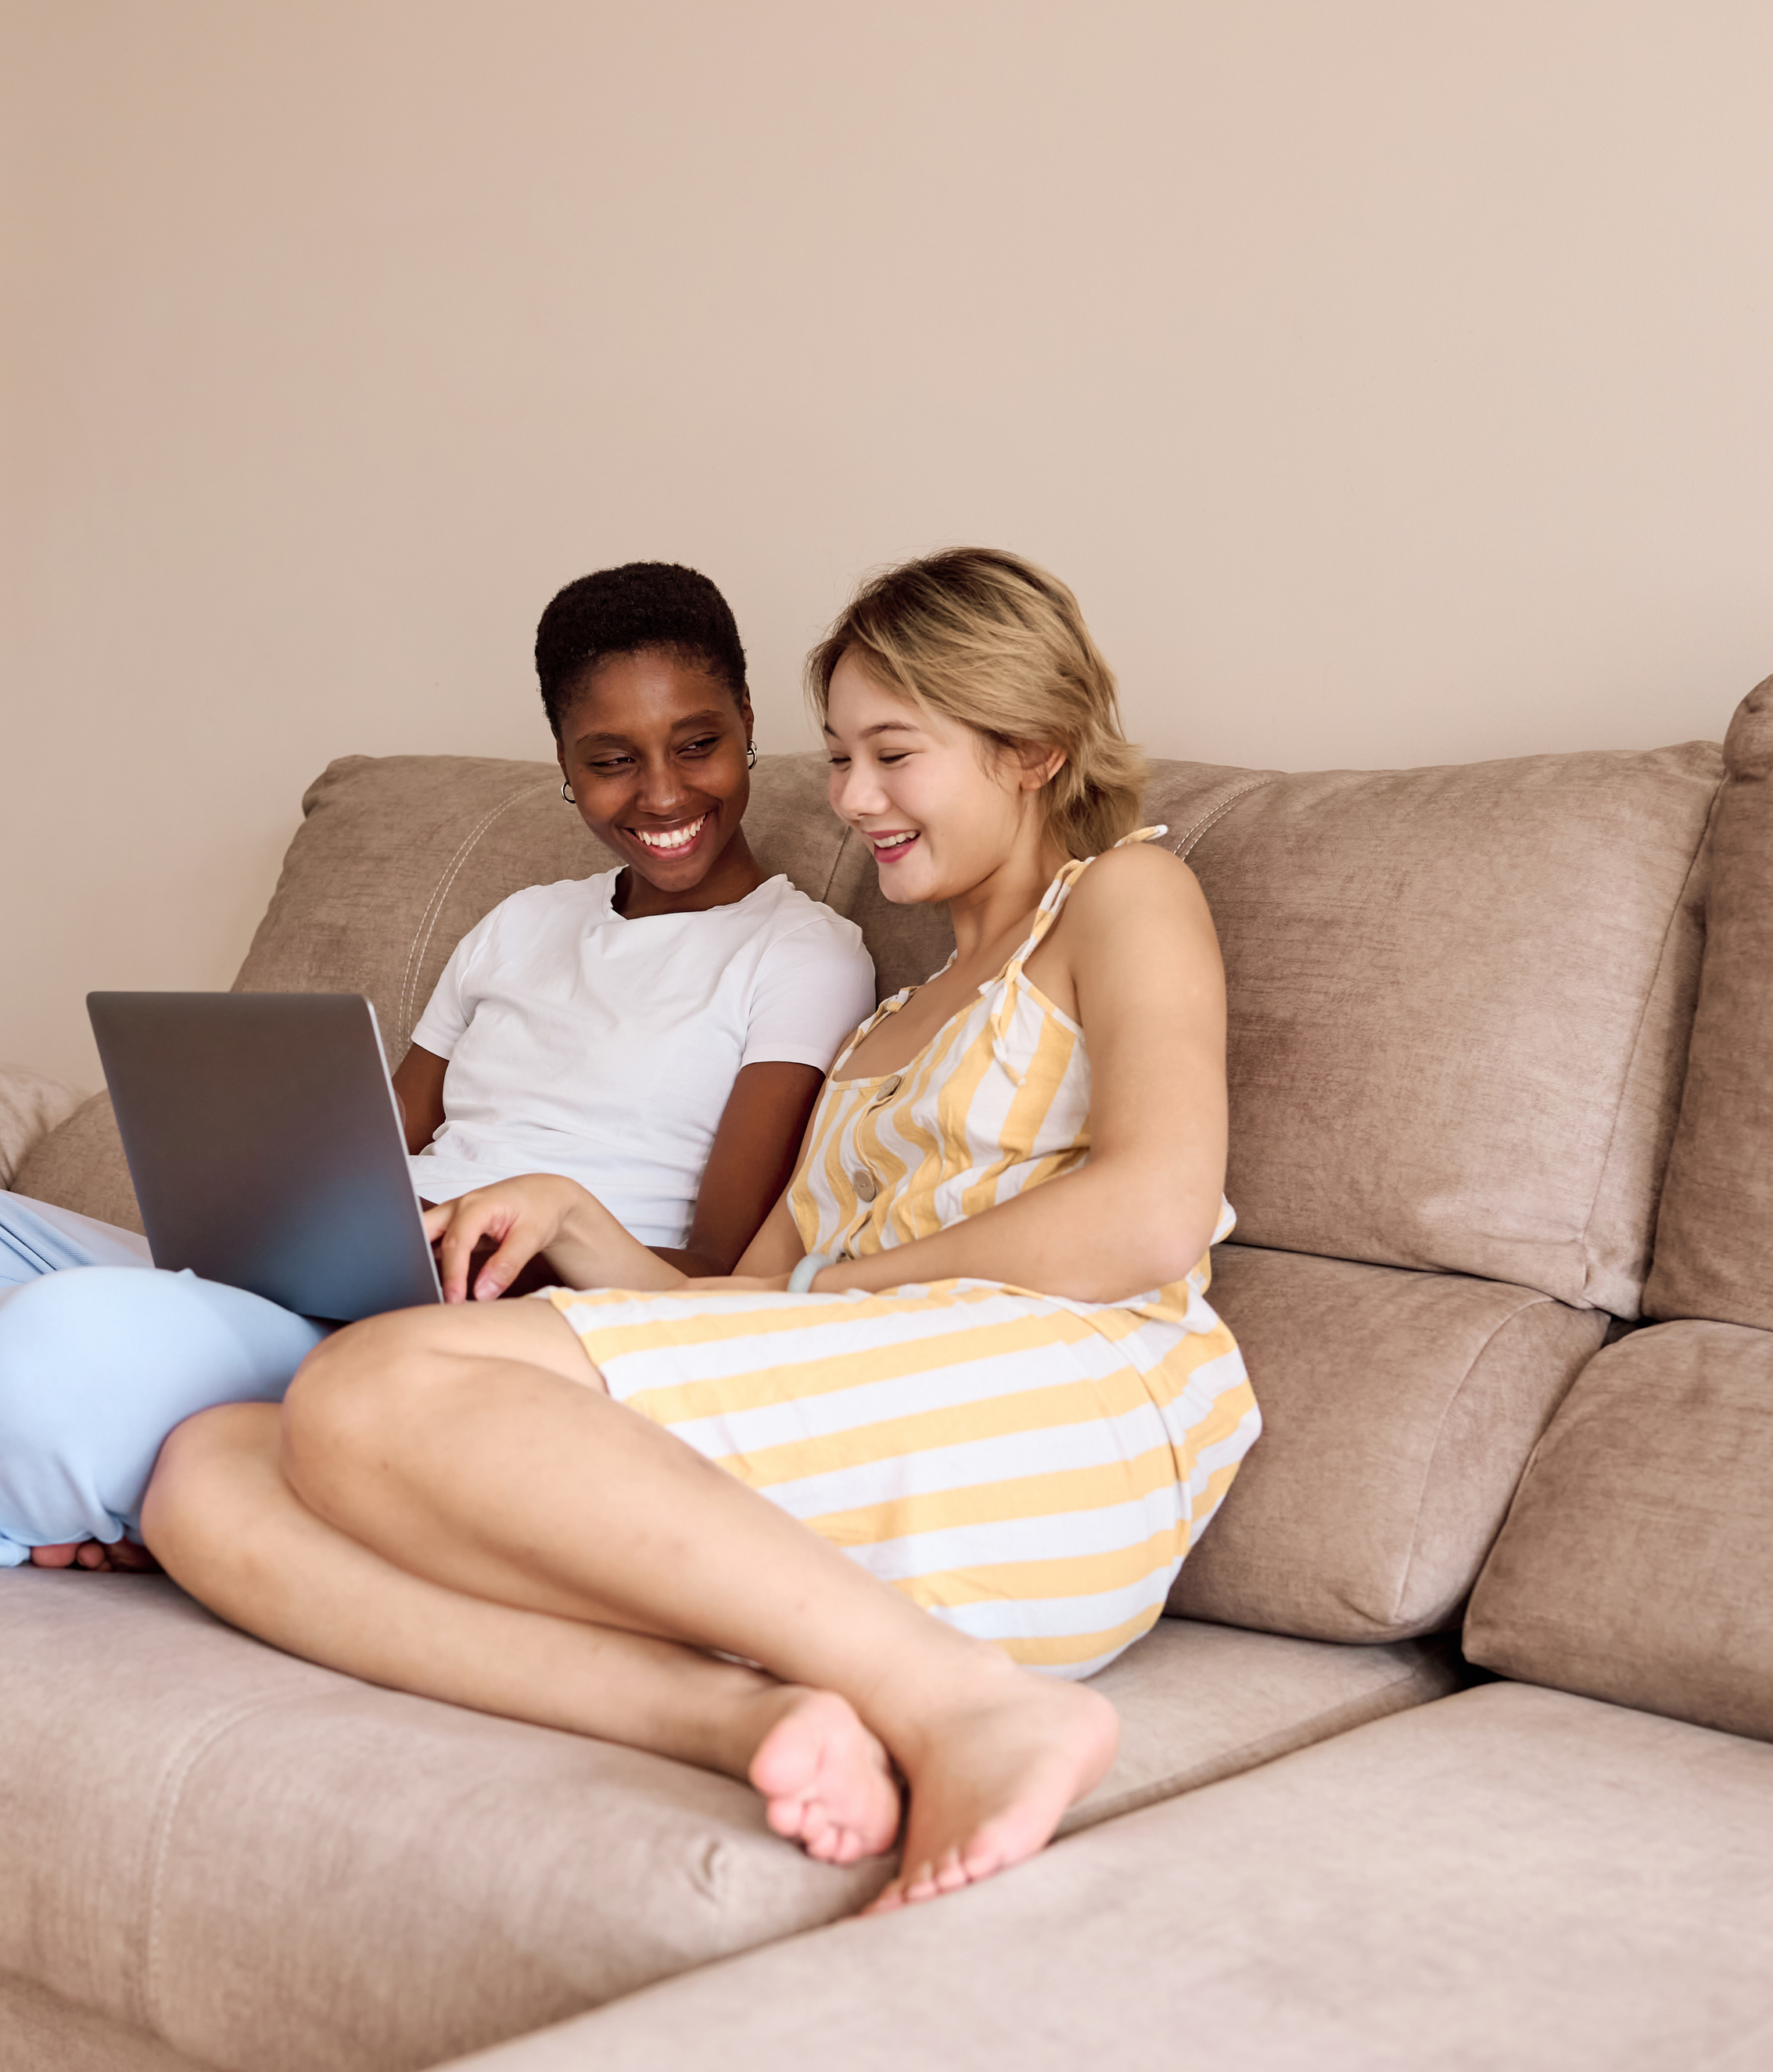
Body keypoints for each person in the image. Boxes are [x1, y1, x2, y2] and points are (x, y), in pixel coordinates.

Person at [138, 548, 1258, 1916]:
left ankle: (965, 1707)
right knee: (208, 1475)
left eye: (892, 755)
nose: (850, 801)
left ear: (1032, 748)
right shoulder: (881, 1029)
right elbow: (742, 1302)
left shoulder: (1123, 899)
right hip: (872, 1397)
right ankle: (747, 1721)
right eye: (841, 756)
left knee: (372, 1386)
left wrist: (851, 1286)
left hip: (1061, 1415)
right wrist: (576, 1220)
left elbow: (1150, 1212)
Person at [0, 562, 878, 1575]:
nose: (663, 794)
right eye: (612, 760)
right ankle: (80, 1433)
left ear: (751, 731)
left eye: (698, 745)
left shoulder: (802, 955)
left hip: (477, 1339)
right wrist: (258, 1194)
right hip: (310, 1286)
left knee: (43, 1347)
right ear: (563, 764)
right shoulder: (519, 924)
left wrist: (535, 1232)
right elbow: (372, 1144)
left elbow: (714, 1278)